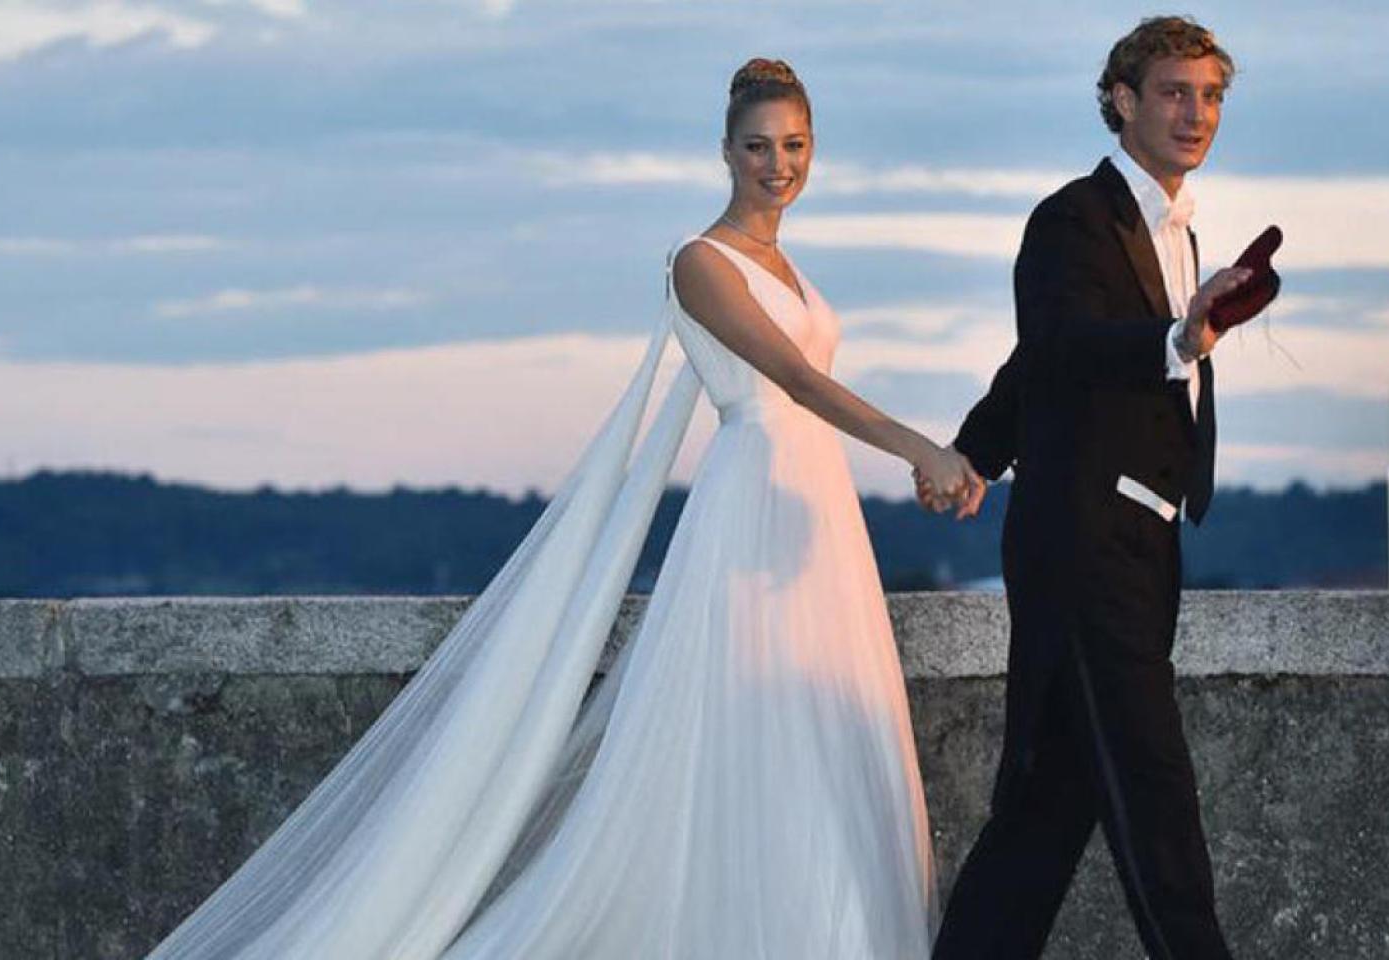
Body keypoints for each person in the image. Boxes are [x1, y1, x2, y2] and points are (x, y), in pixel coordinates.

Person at [145, 59, 976, 960]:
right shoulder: (701, 263)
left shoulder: (790, 265)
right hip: (752, 503)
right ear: (725, 152)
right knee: (761, 735)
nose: (778, 165)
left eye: (795, 145)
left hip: (818, 512)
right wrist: (919, 448)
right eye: (757, 147)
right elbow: (797, 382)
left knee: (826, 734)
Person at [930, 16, 1250, 959]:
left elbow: (1033, 364)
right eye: (1174, 92)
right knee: (1157, 802)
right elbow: (1065, 341)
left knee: (1044, 809)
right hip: (1084, 549)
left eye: (1210, 96)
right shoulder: (1070, 219)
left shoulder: (1175, 231)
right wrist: (1177, 338)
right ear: (1122, 100)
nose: (1196, 114)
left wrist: (975, 450)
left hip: (1142, 550)